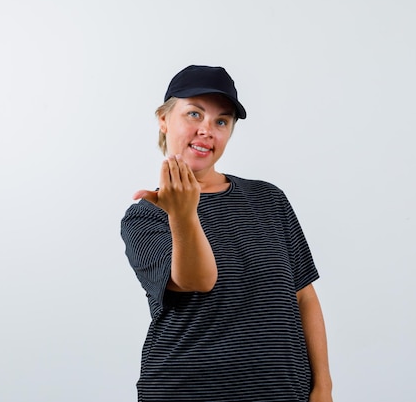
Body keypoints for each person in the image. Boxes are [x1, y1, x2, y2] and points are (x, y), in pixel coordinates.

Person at [120, 65, 333, 402]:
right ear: (164, 120)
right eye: (194, 114)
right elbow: (198, 280)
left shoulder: (268, 199)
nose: (207, 130)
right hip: (186, 391)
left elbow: (303, 295)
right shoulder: (146, 216)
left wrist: (323, 387)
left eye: (221, 121)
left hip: (282, 393)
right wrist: (184, 214)